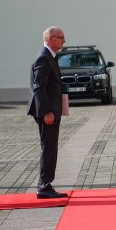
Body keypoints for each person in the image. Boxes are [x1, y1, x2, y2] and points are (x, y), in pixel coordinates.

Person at [28, 26, 69, 198]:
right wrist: (47, 112)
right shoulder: (44, 58)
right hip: (47, 112)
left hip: (51, 110)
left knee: (50, 147)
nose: (64, 41)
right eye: (61, 38)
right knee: (48, 148)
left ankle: (45, 184)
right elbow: (39, 87)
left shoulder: (50, 56)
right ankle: (44, 187)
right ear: (51, 39)